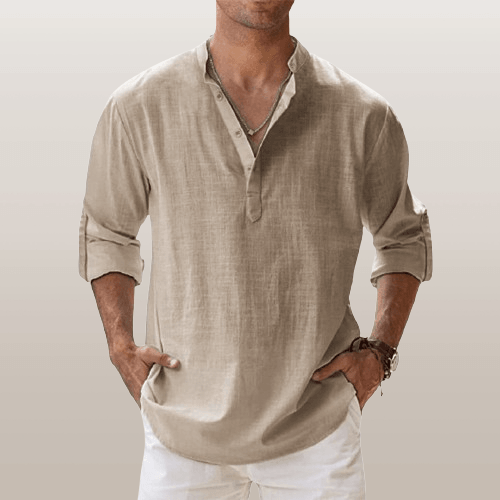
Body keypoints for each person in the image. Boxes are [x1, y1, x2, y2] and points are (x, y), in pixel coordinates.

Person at [78, 1, 433, 498]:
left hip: (318, 435)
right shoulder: (139, 106)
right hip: (181, 437)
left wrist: (380, 353)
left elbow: (403, 238)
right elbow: (108, 231)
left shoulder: (363, 114)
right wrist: (121, 347)